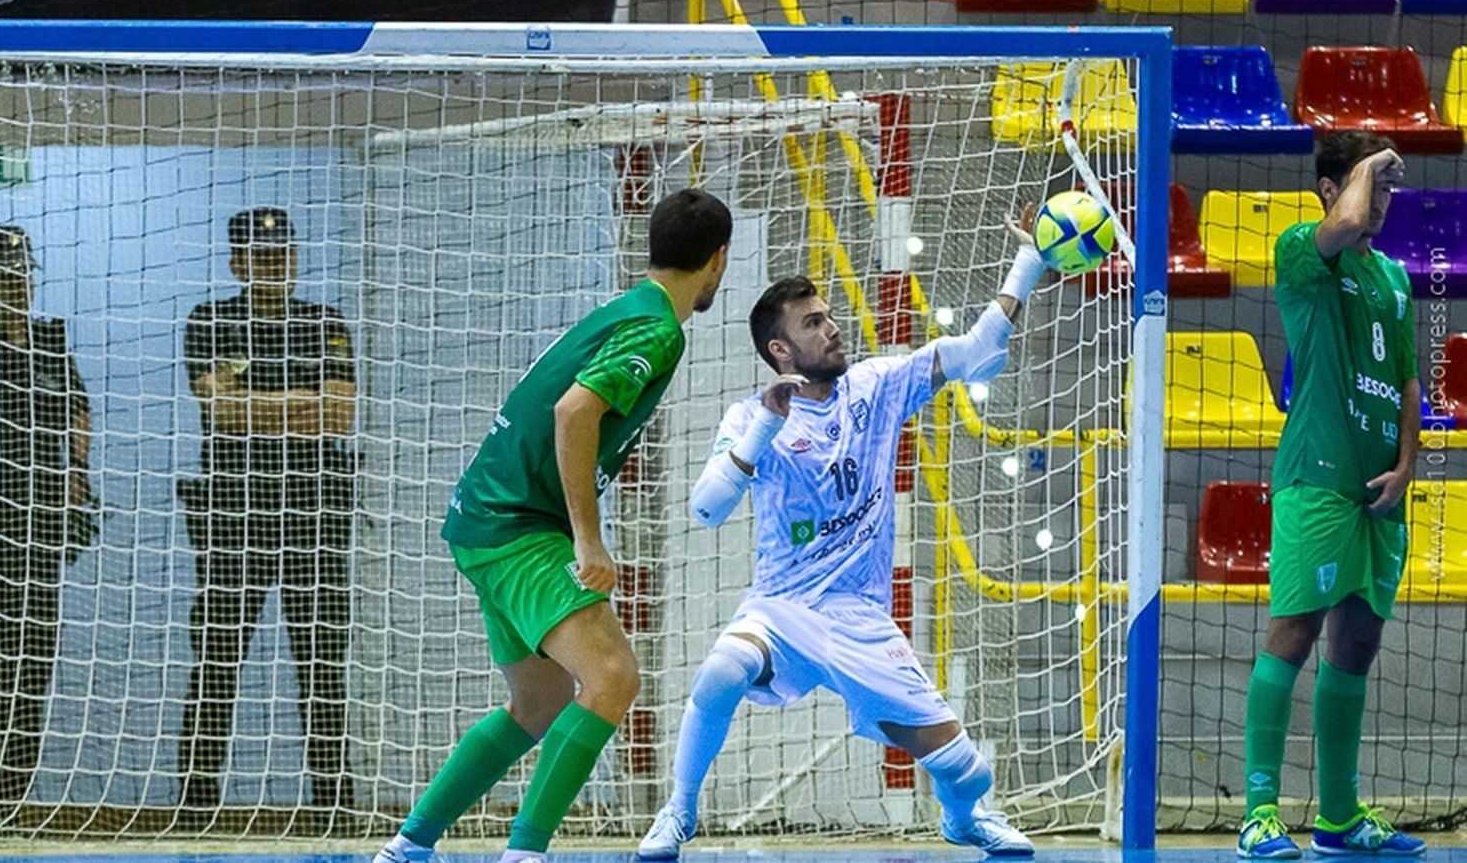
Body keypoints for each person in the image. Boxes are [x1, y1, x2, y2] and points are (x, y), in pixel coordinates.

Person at [637, 212, 1051, 860]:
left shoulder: (877, 386)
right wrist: (765, 429)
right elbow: (706, 508)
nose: (832, 329)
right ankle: (678, 813)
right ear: (780, 350)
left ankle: (965, 816)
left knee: (969, 773)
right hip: (782, 607)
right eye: (813, 323)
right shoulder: (752, 415)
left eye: (828, 316)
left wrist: (1028, 262)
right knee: (721, 670)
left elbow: (975, 351)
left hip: (859, 617)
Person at [374, 188, 733, 863]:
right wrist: (588, 537)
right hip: (518, 522)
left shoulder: (627, 308)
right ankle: (526, 855)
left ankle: (407, 847)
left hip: (482, 516)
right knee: (614, 674)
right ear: (719, 259)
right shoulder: (657, 328)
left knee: (538, 702)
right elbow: (575, 413)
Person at [1235, 131, 1425, 859]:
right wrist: (1372, 162)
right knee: (1294, 631)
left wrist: (1407, 463)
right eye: (1369, 183)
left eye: (1385, 186)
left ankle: (1340, 818)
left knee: (1359, 643)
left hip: (1380, 493)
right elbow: (1342, 226)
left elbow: (1409, 381)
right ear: (1329, 188)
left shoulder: (1397, 279)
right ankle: (1259, 812)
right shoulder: (1299, 250)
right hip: (1315, 479)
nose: (1379, 200)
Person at [178, 207, 358, 820]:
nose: (273, 266)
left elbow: (338, 415)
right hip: (233, 510)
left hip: (314, 509)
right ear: (237, 263)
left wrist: (258, 404)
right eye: (259, 256)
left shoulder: (324, 322)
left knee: (322, 659)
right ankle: (195, 808)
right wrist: (297, 403)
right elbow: (220, 412)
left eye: (281, 255)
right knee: (217, 656)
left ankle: (336, 808)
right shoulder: (210, 321)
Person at [0, 225, 94, 815]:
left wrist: (76, 480)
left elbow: (78, 412)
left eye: (21, 273)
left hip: (41, 526)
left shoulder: (50, 342)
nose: (15, 285)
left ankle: (10, 796)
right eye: (0, 274)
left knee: (32, 658)